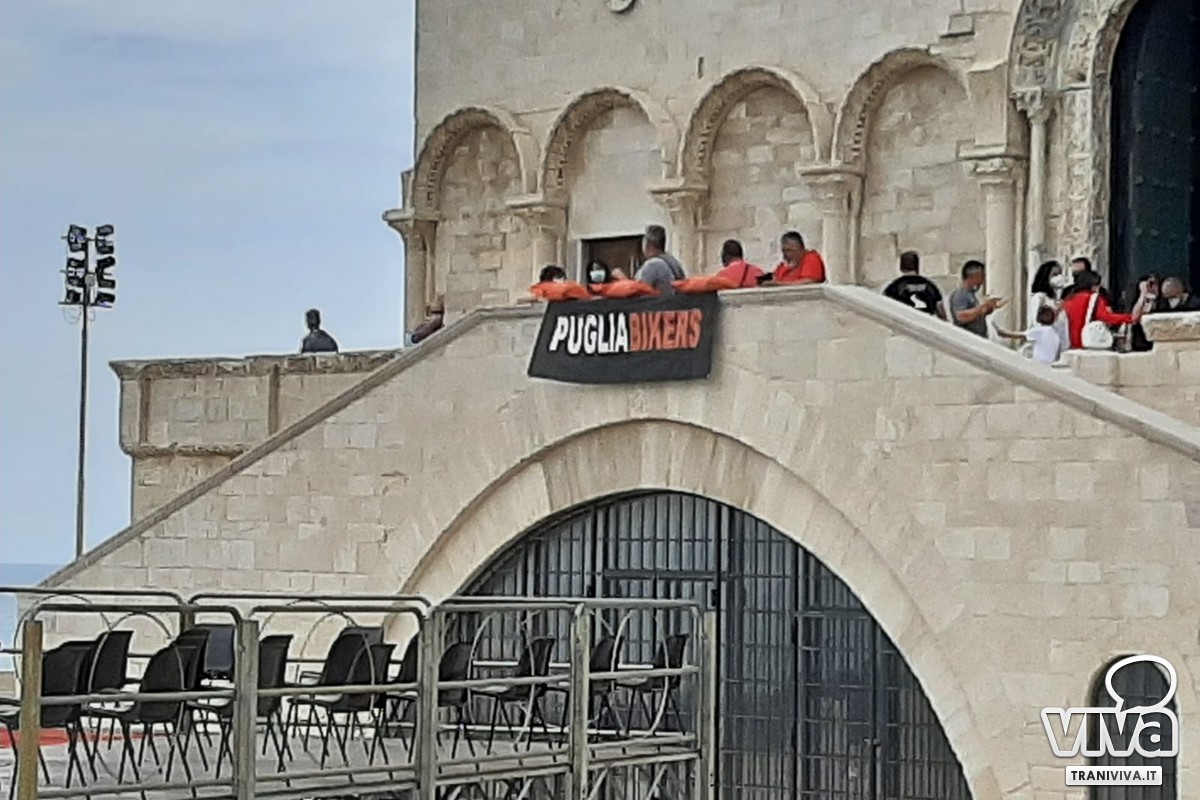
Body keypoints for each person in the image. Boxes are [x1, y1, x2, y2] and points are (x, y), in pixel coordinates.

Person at [1060, 269, 1146, 350]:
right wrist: (1129, 318)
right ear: (1093, 285)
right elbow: (1105, 316)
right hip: (1088, 342)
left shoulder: (1068, 299)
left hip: (1070, 344)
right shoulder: (1094, 298)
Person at [882, 251, 946, 319]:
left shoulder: (893, 287)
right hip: (926, 324)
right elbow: (940, 311)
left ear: (901, 267)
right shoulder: (930, 286)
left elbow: (885, 308)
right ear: (917, 266)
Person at [949, 260, 1005, 338]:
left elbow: (975, 314)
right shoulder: (960, 294)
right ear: (972, 277)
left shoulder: (971, 295)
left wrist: (989, 308)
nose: (982, 281)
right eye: (981, 276)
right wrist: (983, 306)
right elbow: (961, 316)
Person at [995, 305, 1065, 364]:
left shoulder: (1040, 330)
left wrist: (1004, 333)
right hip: (1050, 363)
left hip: (1040, 364)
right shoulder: (1055, 333)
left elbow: (1022, 335)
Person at [634, 224, 687, 295]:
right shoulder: (674, 262)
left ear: (648, 244)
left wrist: (623, 280)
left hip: (660, 305)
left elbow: (638, 292)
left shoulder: (652, 265)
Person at [1027, 259, 1071, 345]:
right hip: (1047, 342)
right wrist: (1057, 310)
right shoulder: (1039, 297)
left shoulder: (1055, 297)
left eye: (1060, 274)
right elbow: (1038, 322)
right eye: (1054, 274)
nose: (1058, 277)